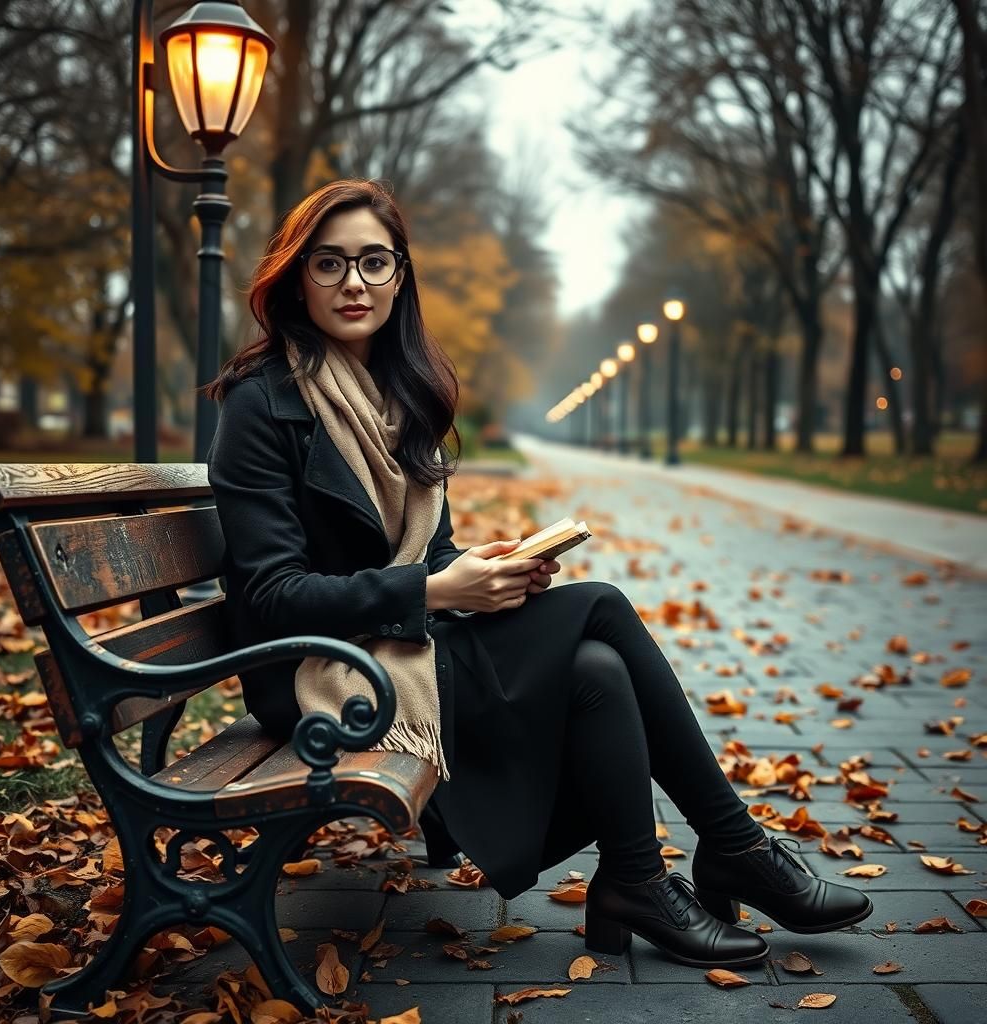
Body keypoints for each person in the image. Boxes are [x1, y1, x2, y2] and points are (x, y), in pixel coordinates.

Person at [204, 178, 873, 969]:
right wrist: (435, 590)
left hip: (396, 641)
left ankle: (638, 878)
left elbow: (428, 554)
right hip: (316, 673)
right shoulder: (260, 404)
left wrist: (483, 569)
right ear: (297, 278)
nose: (355, 282)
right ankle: (731, 848)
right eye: (330, 263)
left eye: (374, 262)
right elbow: (271, 597)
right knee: (603, 607)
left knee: (596, 667)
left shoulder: (399, 397)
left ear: (400, 276)